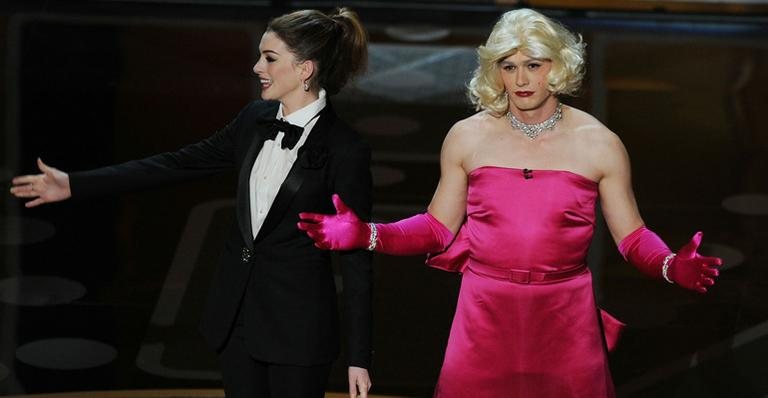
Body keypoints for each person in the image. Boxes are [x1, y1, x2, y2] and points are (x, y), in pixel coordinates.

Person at [296, 8, 722, 398]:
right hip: (484, 314)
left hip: (565, 318)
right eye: (509, 67)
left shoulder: (599, 143)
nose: (520, 81)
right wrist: (368, 234)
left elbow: (632, 238)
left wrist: (669, 265)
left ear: (558, 66)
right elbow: (437, 228)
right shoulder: (468, 136)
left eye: (533, 66)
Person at [10, 8, 373, 398]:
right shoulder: (254, 119)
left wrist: (359, 356)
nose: (256, 67)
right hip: (235, 320)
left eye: (269, 58)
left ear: (305, 69)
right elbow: (175, 163)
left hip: (298, 333)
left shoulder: (344, 149)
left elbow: (357, 259)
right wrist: (74, 185)